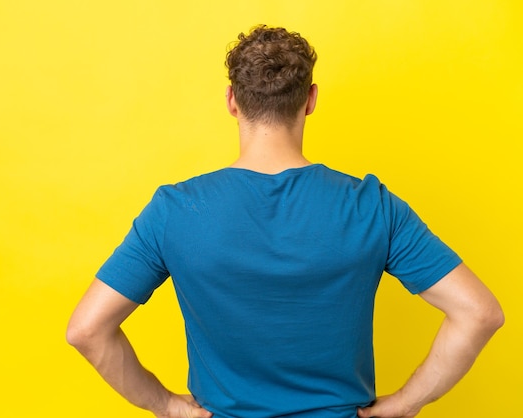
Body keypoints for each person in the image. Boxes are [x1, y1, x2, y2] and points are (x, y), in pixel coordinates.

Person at [66, 25, 504, 418]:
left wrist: (165, 406)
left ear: (232, 101)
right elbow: (478, 313)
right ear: (310, 100)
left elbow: (87, 330)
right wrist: (407, 404)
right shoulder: (371, 205)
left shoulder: (175, 210)